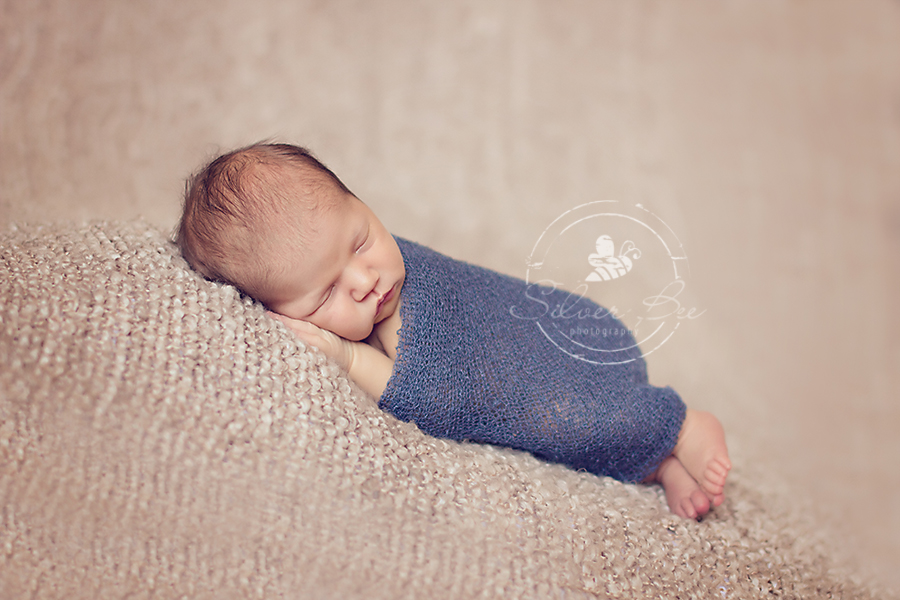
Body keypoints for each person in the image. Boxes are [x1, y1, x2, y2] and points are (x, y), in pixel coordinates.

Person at [176, 142, 731, 519]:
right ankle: (658, 462)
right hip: (547, 361)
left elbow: (430, 393)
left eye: (361, 240)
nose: (367, 280)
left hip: (547, 339)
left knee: (564, 413)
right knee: (563, 437)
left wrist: (347, 358)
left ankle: (679, 424)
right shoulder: (341, 293)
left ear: (361, 204)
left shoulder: (407, 290)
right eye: (327, 293)